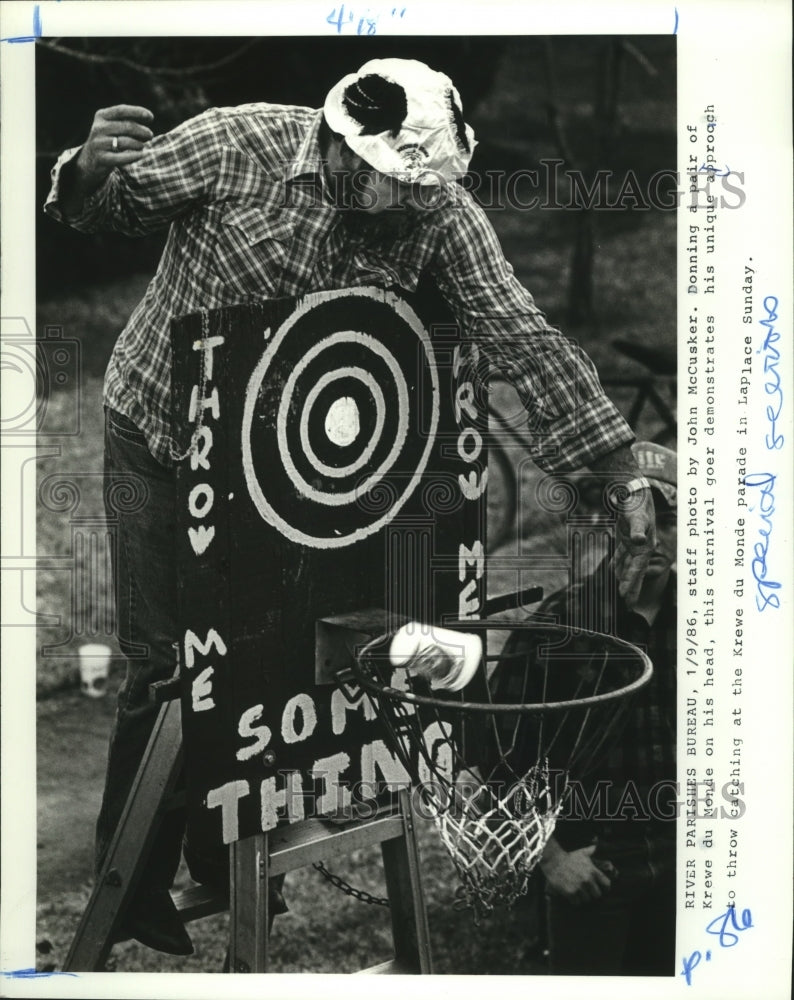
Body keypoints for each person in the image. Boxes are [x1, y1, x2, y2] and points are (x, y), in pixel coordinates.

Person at [44, 58, 656, 955]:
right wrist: (89, 169)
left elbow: (519, 330)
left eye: (422, 186)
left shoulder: (436, 208)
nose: (410, 201)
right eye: (393, 181)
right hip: (161, 434)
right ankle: (130, 879)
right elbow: (109, 209)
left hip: (288, 469)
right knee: (164, 662)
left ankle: (223, 850)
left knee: (267, 654)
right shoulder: (235, 140)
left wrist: (612, 467)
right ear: (341, 143)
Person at [533, 441, 678, 976]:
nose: (653, 535)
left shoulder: (712, 624)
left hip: (683, 857)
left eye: (670, 517)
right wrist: (552, 859)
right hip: (594, 862)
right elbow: (494, 755)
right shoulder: (561, 624)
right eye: (638, 517)